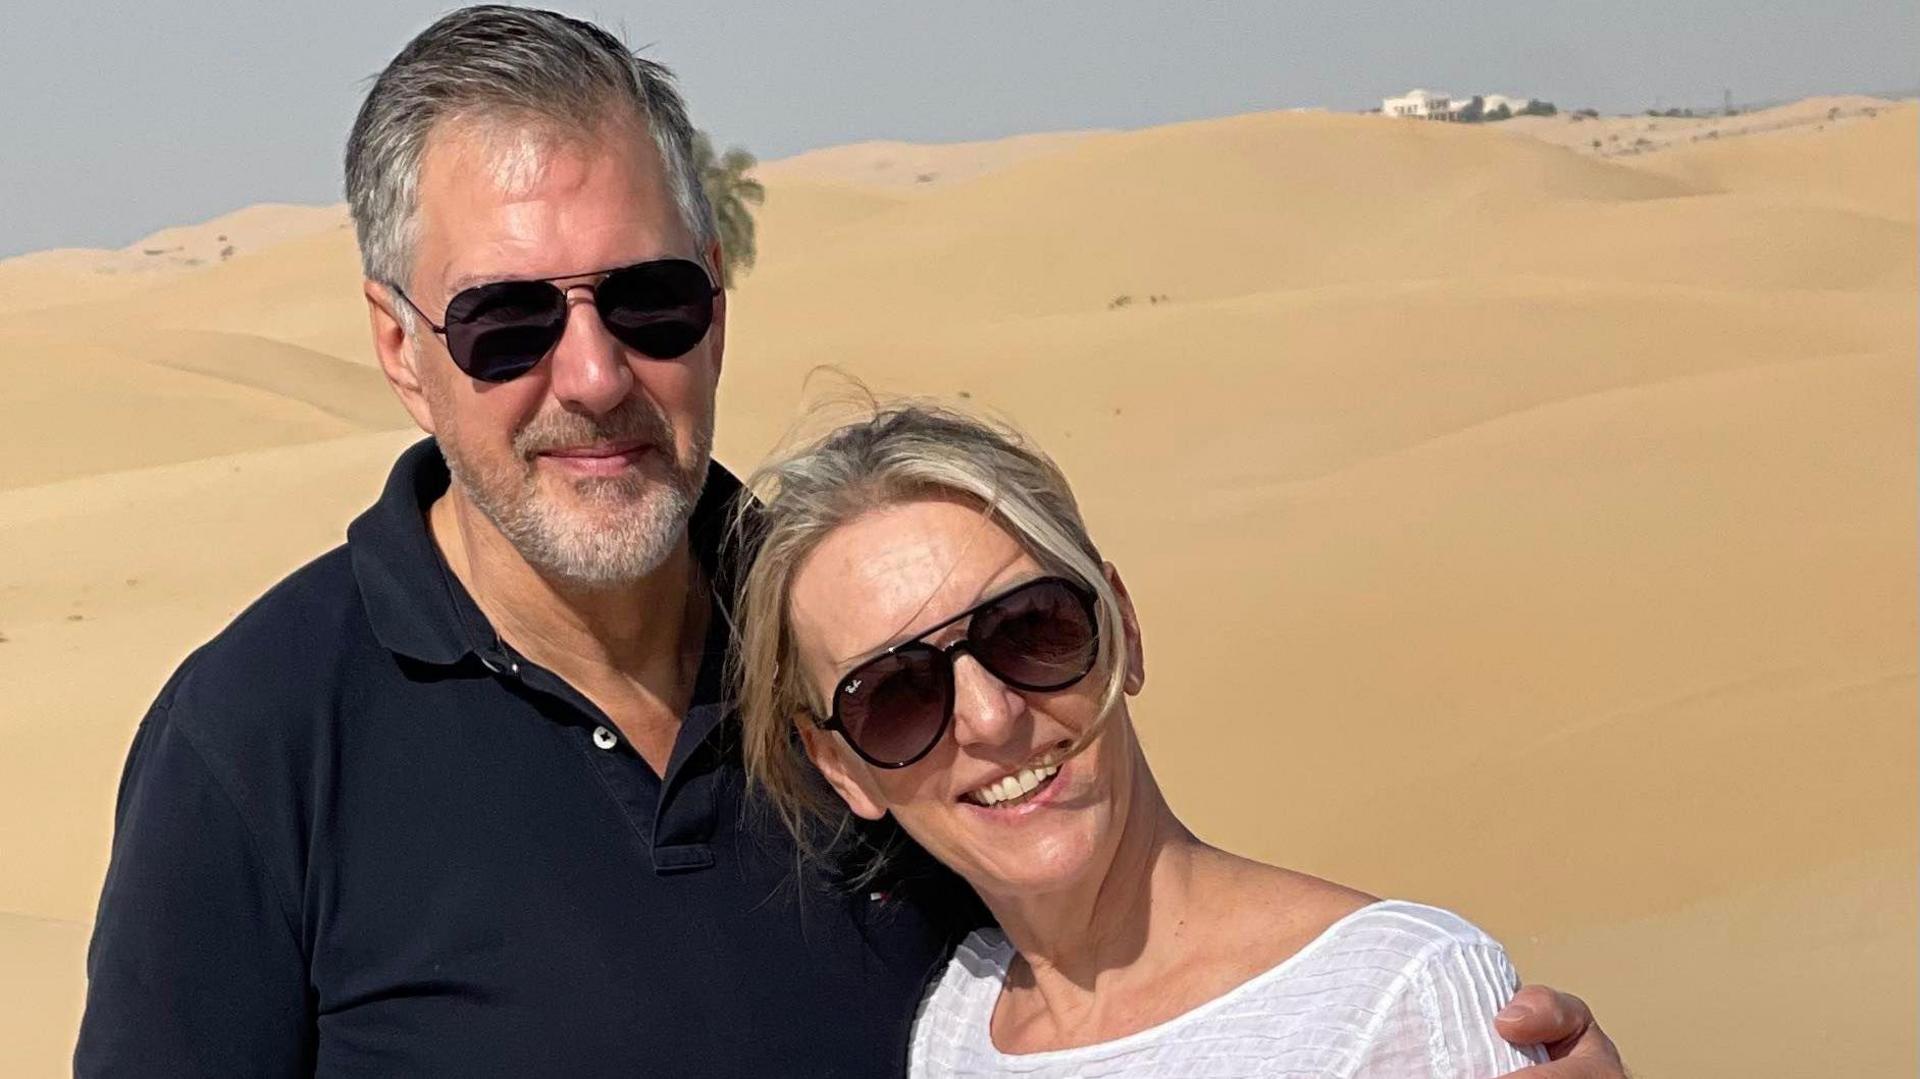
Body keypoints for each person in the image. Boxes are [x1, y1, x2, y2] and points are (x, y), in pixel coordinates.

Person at [76, 6, 1624, 1077]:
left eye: (651, 299)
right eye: (507, 321)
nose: (597, 374)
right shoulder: (258, 743)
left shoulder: (874, 632)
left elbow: (1137, 946)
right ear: (400, 343)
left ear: (719, 306)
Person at [734, 405, 1566, 1076]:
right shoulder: (949, 1029)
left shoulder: (1398, 994)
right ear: (842, 768)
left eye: (1030, 629)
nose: (991, 717)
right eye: (896, 695)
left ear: (1121, 622)